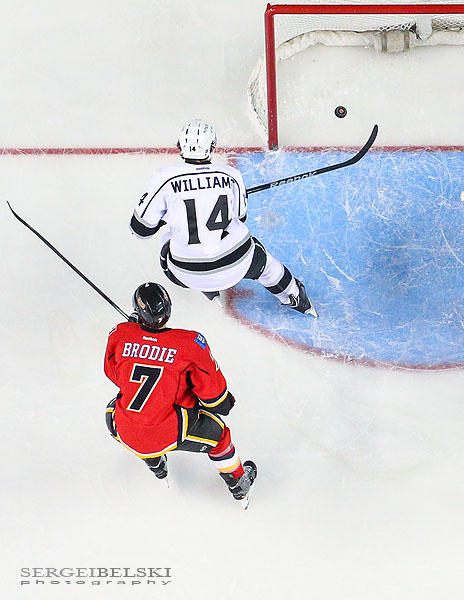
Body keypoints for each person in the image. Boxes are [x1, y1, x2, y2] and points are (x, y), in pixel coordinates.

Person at [129, 119, 316, 316]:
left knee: (167, 240)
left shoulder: (163, 178)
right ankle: (294, 296)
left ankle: (208, 288)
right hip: (238, 264)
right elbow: (239, 218)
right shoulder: (231, 175)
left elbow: (140, 231)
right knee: (261, 258)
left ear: (180, 146)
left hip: (187, 275)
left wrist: (166, 217)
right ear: (212, 147)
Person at [104, 282, 257, 503]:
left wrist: (136, 335)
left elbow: (115, 375)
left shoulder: (120, 334)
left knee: (118, 409)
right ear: (168, 310)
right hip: (168, 432)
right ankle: (239, 484)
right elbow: (214, 396)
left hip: (125, 431)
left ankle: (156, 464)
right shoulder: (190, 343)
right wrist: (223, 404)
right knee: (219, 435)